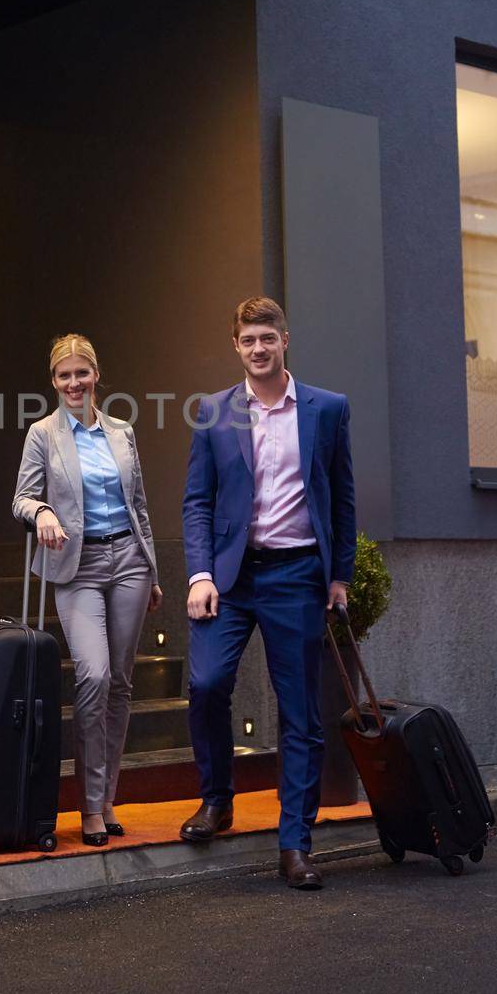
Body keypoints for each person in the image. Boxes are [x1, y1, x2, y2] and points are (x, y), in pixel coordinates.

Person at [181, 296, 355, 890]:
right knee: (205, 685)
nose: (259, 348)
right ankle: (217, 798)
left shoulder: (327, 410)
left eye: (268, 337)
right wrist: (200, 575)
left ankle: (295, 844)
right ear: (236, 345)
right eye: (248, 340)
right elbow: (197, 502)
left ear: (286, 339)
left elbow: (343, 499)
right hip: (231, 578)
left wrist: (340, 577)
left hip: (296, 575)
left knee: (300, 713)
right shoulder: (213, 412)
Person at [13, 334, 162, 846]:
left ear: (96, 375)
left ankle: (105, 800)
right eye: (63, 376)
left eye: (81, 373)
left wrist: (153, 571)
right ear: (53, 382)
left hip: (129, 564)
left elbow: (139, 507)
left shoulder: (122, 432)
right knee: (93, 676)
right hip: (78, 565)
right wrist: (44, 512)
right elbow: (22, 499)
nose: (73, 383)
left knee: (120, 682)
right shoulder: (43, 434)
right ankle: (88, 803)